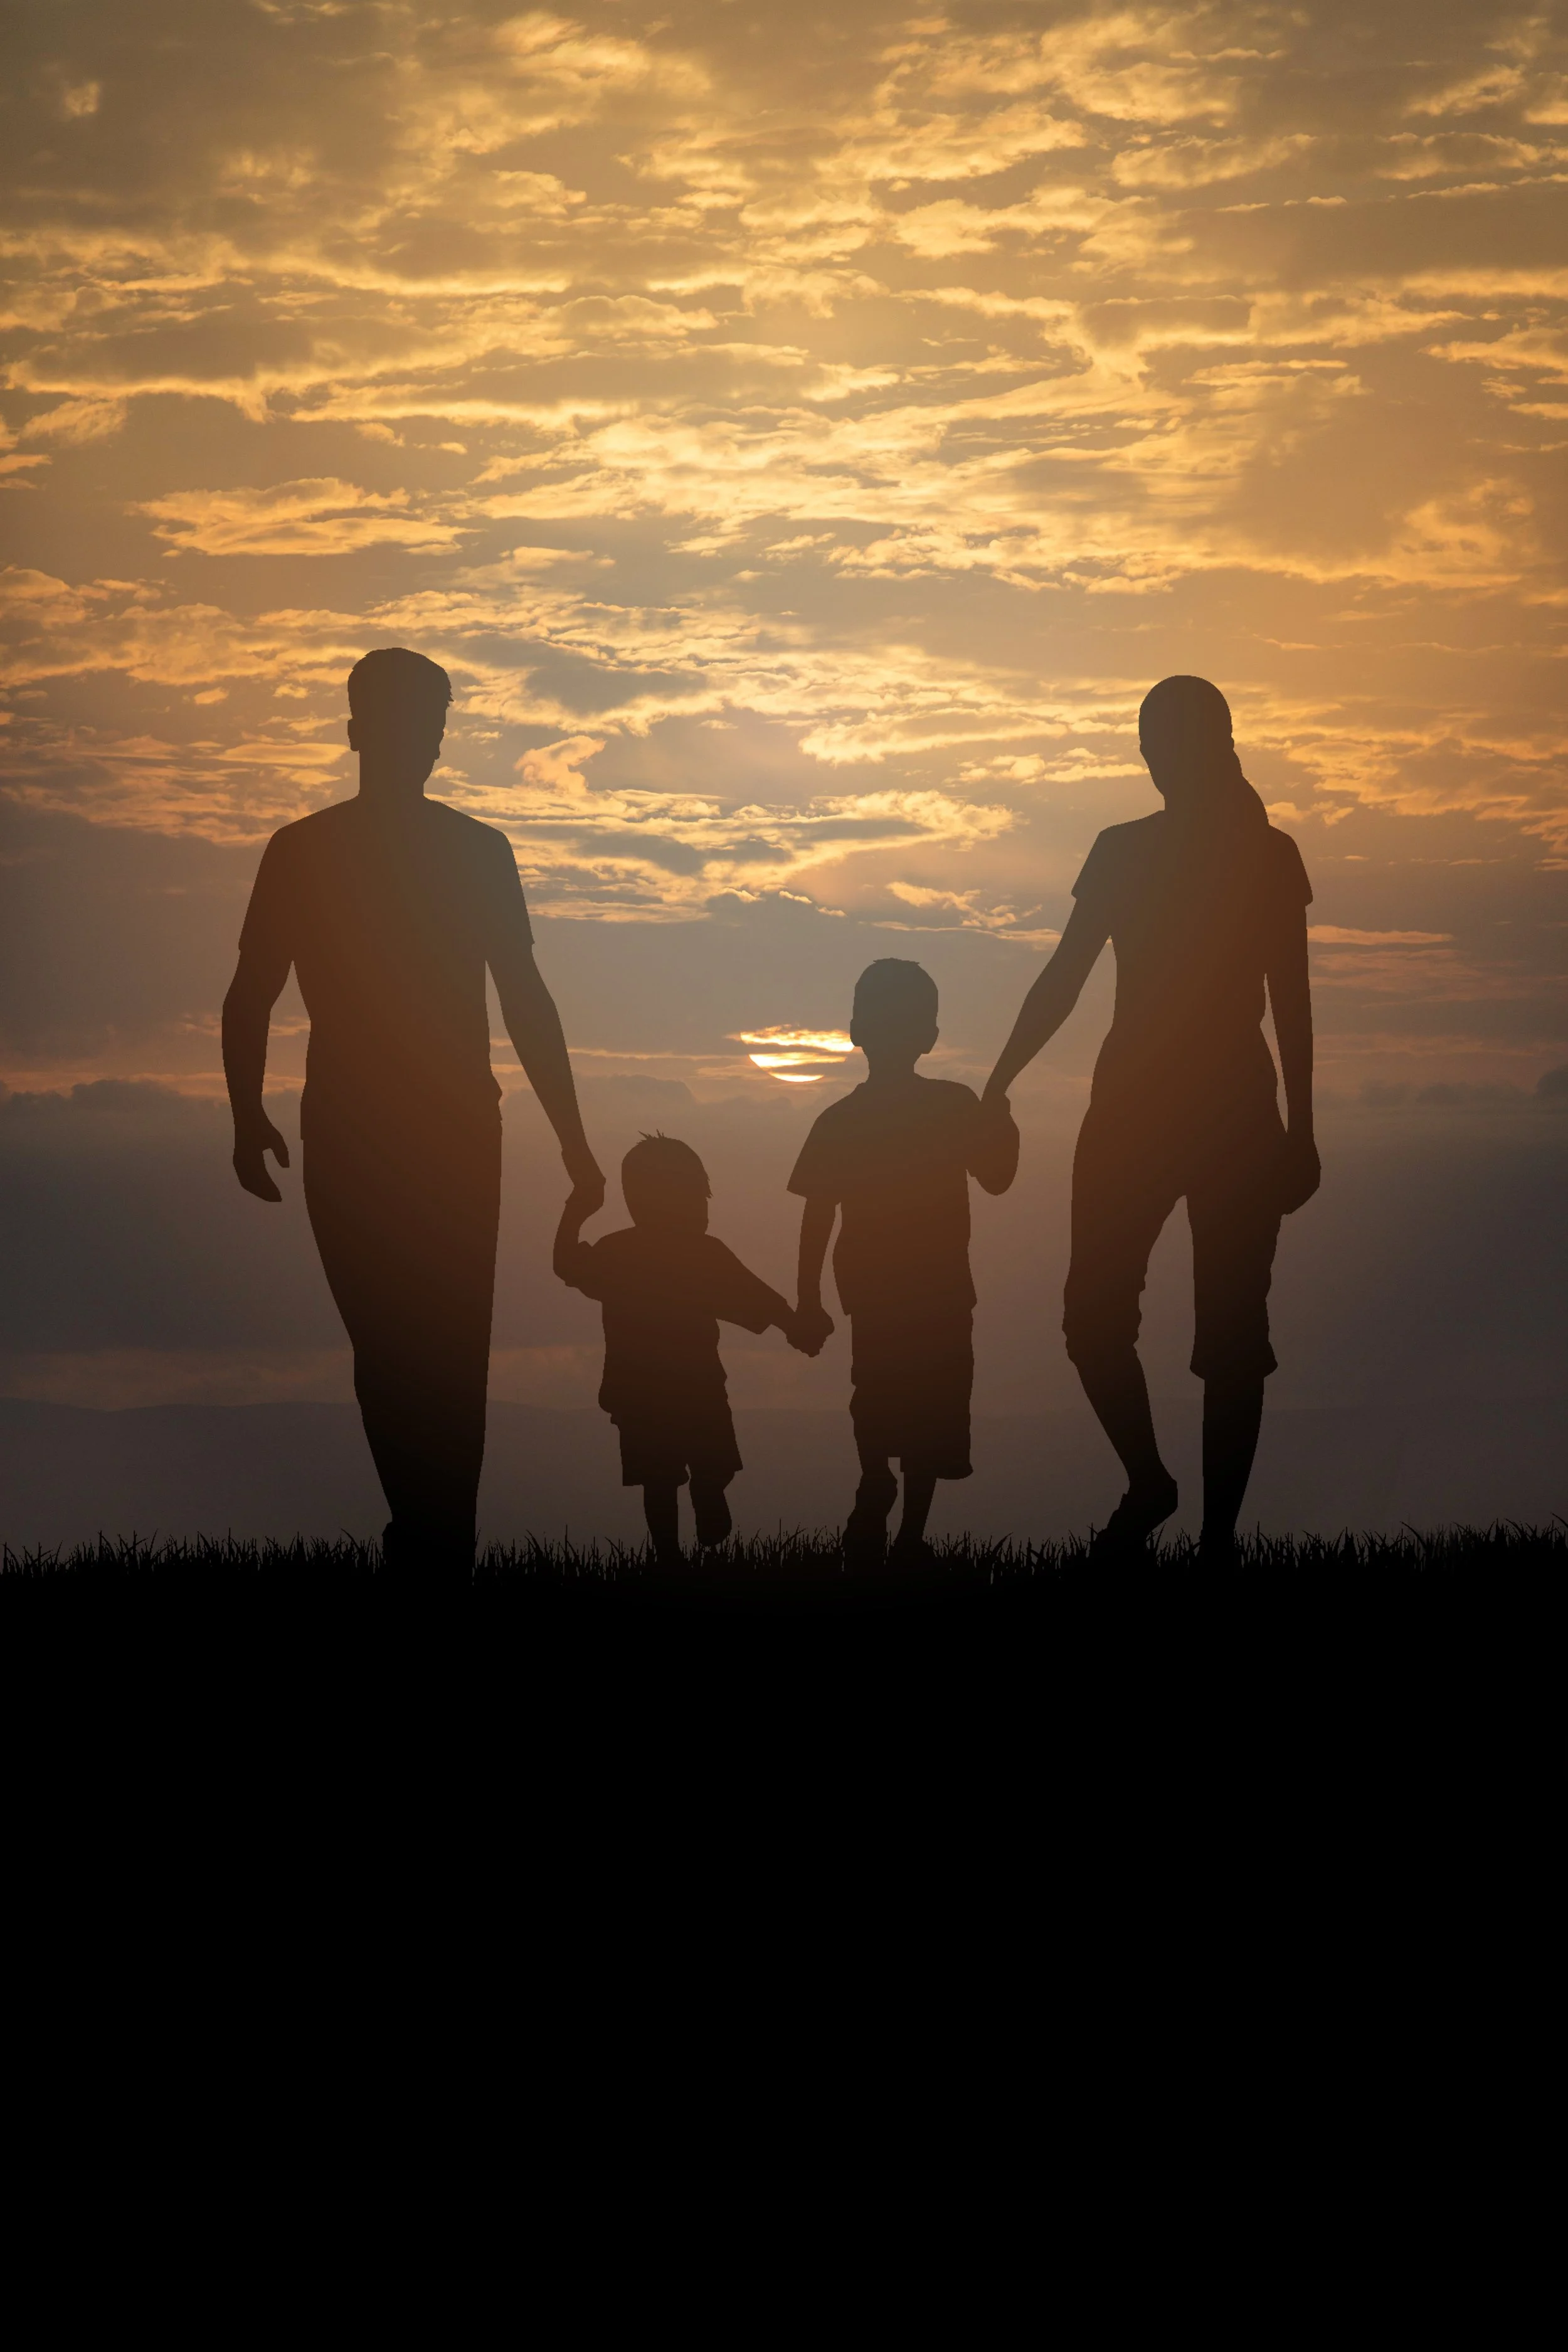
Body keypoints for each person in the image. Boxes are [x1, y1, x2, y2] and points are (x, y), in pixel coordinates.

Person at [223, 646, 603, 1579]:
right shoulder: (326, 850)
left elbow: (525, 1000)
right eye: (407, 726)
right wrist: (244, 1113)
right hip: (373, 1128)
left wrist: (573, 1137)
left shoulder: (444, 850)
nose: (417, 744)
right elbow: (251, 995)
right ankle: (435, 1539)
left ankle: (435, 1545)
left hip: (433, 1128)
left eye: (426, 727)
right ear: (360, 731)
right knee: (406, 1342)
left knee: (426, 1343)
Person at [985, 674, 1320, 1562]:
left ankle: (1217, 1539)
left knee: (1232, 1337)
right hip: (1135, 1111)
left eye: (1165, 739)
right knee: (1093, 1319)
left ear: (1206, 746)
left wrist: (1304, 1128)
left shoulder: (1269, 855)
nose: (1155, 755)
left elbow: (1293, 999)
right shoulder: (1122, 850)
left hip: (1231, 1115)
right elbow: (1065, 976)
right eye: (1149, 740)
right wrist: (1001, 1076)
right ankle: (1152, 1483)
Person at [789, 960, 1019, 1566]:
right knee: (928, 1403)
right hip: (931, 1286)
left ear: (854, 1030)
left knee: (879, 1390)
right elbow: (999, 1180)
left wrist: (808, 1299)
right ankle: (908, 1528)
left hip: (878, 1285)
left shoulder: (841, 1119)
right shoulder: (952, 1106)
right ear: (931, 1036)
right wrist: (1006, 1126)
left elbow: (817, 1218)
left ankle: (883, 1491)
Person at [555, 1134, 816, 1565]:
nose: (703, 1208)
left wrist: (576, 1210)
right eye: (698, 1197)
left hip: (647, 1388)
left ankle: (682, 1532)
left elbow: (566, 1263)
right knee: (679, 1473)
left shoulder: (621, 1252)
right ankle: (675, 1545)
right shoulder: (687, 1253)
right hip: (688, 1387)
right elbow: (758, 1298)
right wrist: (795, 1326)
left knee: (664, 1478)